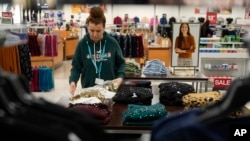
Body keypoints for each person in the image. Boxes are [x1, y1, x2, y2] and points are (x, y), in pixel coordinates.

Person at [69, 6, 125, 95]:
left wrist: (120, 77)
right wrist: (73, 81)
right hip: (88, 92)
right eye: (92, 30)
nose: (95, 34)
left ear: (104, 28)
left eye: (98, 31)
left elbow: (121, 63)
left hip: (109, 92)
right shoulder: (82, 44)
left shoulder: (112, 43)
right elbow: (76, 67)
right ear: (87, 27)